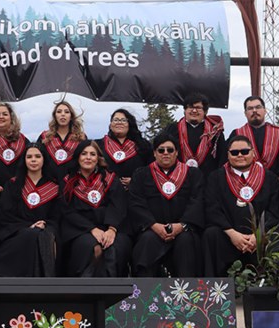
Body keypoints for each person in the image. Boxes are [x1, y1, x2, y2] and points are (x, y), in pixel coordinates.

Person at [202, 134, 279, 277]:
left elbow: (274, 210)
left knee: (277, 238)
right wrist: (232, 234)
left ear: (252, 153)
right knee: (211, 234)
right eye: (234, 152)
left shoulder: (269, 178)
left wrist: (257, 235)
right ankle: (216, 290)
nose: (240, 155)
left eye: (244, 151)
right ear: (228, 155)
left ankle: (269, 288)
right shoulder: (216, 178)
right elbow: (212, 208)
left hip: (259, 236)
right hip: (228, 235)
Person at [128, 135, 204, 277]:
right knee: (147, 240)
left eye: (170, 150)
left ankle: (186, 293)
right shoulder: (141, 174)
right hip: (152, 229)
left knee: (186, 241)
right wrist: (153, 225)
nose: (165, 153)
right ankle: (145, 293)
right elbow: (136, 203)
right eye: (161, 150)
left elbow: (197, 201)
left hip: (183, 229)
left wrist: (181, 226)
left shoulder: (192, 174)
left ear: (176, 152)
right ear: (154, 153)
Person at [60, 140, 132, 277]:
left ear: (98, 158)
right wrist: (91, 229)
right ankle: (86, 291)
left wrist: (112, 229)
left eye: (92, 154)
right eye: (84, 154)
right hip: (79, 229)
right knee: (92, 247)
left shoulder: (110, 179)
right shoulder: (68, 182)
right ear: (78, 157)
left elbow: (118, 205)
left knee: (116, 246)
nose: (88, 157)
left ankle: (113, 291)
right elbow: (67, 211)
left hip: (110, 226)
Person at [0, 143, 60, 277]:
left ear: (44, 159)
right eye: (29, 157)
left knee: (44, 235)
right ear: (24, 160)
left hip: (47, 230)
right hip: (16, 231)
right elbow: (6, 216)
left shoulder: (54, 187)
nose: (33, 160)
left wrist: (45, 224)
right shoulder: (13, 185)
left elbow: (57, 217)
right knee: (32, 234)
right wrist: (28, 226)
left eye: (37, 156)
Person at [162, 93, 225, 175]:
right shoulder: (172, 129)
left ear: (205, 111)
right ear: (184, 110)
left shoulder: (214, 131)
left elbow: (222, 156)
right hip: (178, 178)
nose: (194, 111)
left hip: (207, 179)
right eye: (190, 107)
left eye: (198, 108)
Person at [231, 95, 279, 176]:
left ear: (265, 110)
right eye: (250, 108)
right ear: (245, 113)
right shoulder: (237, 134)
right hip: (244, 183)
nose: (254, 110)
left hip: (273, 183)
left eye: (258, 107)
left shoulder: (277, 133)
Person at [99, 108, 151, 190]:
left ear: (129, 124)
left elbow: (150, 168)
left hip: (135, 193)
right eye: (115, 120)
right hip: (107, 193)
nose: (119, 122)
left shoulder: (143, 145)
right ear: (110, 124)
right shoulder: (99, 145)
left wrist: (135, 181)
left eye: (123, 120)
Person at [38, 100, 86, 183]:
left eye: (66, 112)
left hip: (72, 184)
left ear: (71, 116)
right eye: (59, 112)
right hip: (49, 185)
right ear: (55, 116)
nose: (62, 114)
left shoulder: (80, 137)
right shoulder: (45, 137)